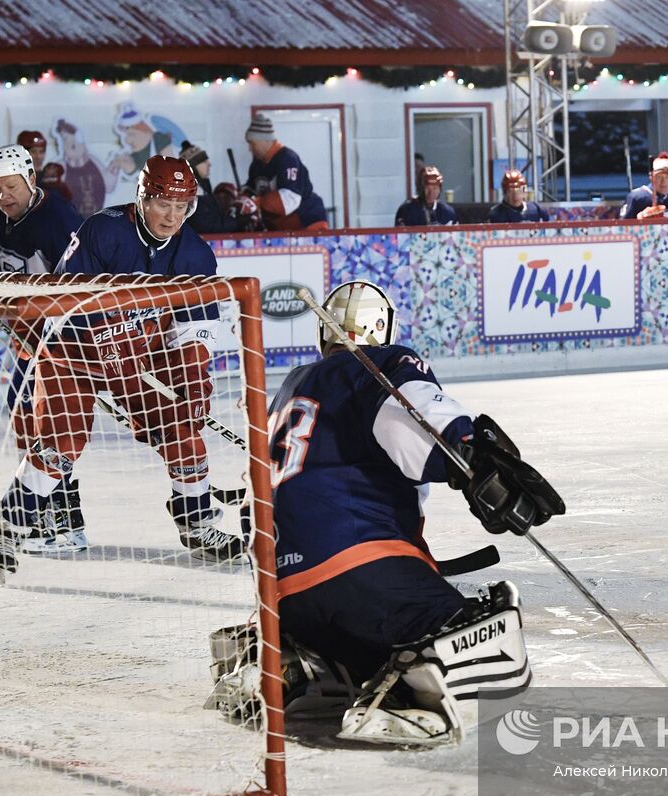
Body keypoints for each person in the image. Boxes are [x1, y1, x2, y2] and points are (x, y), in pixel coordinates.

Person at [204, 280, 562, 746]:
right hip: (358, 570)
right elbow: (418, 416)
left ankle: (292, 665)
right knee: (491, 628)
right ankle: (405, 698)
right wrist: (475, 459)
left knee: (357, 627)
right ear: (383, 328)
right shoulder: (380, 365)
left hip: (280, 597)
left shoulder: (290, 388)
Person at [0, 155, 245, 582]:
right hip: (73, 356)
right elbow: (66, 306)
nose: (171, 217)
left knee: (183, 425)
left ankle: (197, 524)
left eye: (181, 208)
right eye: (163, 205)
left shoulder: (194, 253)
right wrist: (106, 345)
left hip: (139, 357)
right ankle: (5, 532)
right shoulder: (103, 230)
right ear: (142, 198)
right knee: (58, 445)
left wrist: (193, 381)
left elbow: (194, 330)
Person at [0, 144, 86, 554]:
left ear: (29, 179)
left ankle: (67, 526)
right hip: (28, 341)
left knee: (53, 429)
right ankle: (49, 516)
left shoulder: (58, 219)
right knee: (25, 419)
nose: (2, 196)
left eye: (10, 186)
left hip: (66, 345)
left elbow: (81, 287)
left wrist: (59, 336)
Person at [243, 113, 328, 231]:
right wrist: (240, 198)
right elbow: (251, 189)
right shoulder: (257, 164)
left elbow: (288, 200)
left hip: (307, 223)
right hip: (283, 228)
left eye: (253, 144)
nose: (250, 149)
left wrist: (257, 203)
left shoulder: (287, 158)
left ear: (266, 141)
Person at [179, 143, 237, 234]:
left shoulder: (204, 188)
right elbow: (206, 226)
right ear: (193, 166)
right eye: (204, 161)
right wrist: (236, 222)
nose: (209, 164)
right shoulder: (190, 195)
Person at [619, 152, 668, 220]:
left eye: (667, 177)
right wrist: (640, 219)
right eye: (659, 177)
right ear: (651, 177)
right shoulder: (636, 197)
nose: (663, 181)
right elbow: (622, 226)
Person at [18, 130, 72, 204]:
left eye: (41, 151)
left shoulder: (50, 176)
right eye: (33, 151)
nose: (38, 156)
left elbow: (67, 201)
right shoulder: (17, 179)